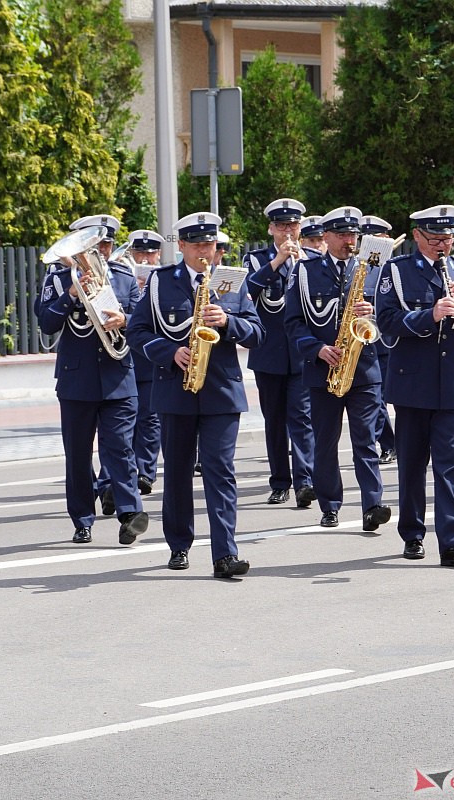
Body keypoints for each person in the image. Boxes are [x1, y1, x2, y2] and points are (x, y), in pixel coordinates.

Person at [127, 212, 264, 578]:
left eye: (212, 245)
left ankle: (225, 553)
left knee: (220, 471)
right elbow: (137, 333)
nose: (208, 252)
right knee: (176, 472)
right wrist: (170, 353)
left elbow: (257, 333)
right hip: (176, 389)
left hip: (221, 390)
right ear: (183, 246)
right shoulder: (159, 282)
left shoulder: (232, 281)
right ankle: (179, 544)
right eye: (199, 245)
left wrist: (229, 322)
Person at [374, 204, 454, 566]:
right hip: (413, 382)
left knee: (450, 464)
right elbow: (387, 320)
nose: (444, 245)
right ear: (417, 237)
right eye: (435, 238)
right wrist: (431, 314)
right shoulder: (397, 270)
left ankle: (453, 542)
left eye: (448, 238)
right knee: (411, 464)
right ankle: (412, 532)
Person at [35, 214, 149, 546]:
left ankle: (130, 514)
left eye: (105, 244)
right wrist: (70, 294)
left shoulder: (125, 278)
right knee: (78, 453)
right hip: (77, 380)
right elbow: (46, 323)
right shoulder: (57, 279)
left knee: (121, 449)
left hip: (119, 376)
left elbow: (142, 321)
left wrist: (125, 319)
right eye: (93, 245)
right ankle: (83, 519)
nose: (99, 250)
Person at [284, 206, 390, 531]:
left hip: (364, 369)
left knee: (365, 441)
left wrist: (372, 313)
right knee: (326, 442)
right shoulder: (305, 271)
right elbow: (293, 323)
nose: (349, 241)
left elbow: (390, 317)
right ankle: (330, 504)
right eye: (342, 235)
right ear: (325, 237)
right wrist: (317, 349)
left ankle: (373, 504)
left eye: (353, 235)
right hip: (323, 370)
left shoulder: (373, 269)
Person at [243, 199, 317, 507]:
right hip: (269, 352)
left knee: (301, 418)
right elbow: (247, 290)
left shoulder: (312, 259)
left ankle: (305, 481)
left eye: (293, 226)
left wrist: (300, 265)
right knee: (274, 420)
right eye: (282, 226)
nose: (288, 232)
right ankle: (280, 482)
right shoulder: (255, 258)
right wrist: (275, 263)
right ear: (271, 228)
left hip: (301, 352)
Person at [123, 229, 164, 494]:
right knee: (128, 420)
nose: (146, 258)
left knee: (150, 419)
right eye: (140, 253)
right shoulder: (123, 278)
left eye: (150, 253)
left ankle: (146, 473)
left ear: (158, 254)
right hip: (126, 359)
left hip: (152, 359)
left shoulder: (165, 280)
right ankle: (126, 470)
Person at [359, 214, 397, 464]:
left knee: (379, 397)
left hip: (385, 337)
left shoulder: (391, 267)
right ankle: (389, 443)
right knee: (375, 397)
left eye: (378, 238)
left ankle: (386, 443)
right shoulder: (358, 265)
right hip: (364, 336)